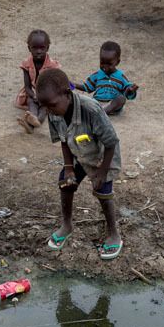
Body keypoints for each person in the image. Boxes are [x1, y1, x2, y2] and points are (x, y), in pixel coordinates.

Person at [36, 68, 123, 260]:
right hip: (79, 152)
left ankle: (113, 233)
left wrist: (101, 172)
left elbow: (111, 143)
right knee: (66, 183)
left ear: (66, 94)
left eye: (51, 105)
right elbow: (64, 140)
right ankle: (67, 225)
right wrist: (68, 169)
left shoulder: (90, 109)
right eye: (45, 107)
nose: (49, 111)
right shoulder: (54, 111)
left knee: (103, 191)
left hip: (102, 156)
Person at [15, 29, 61, 133]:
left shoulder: (52, 65)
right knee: (31, 102)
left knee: (44, 108)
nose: (38, 51)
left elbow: (55, 85)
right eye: (35, 48)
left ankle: (35, 122)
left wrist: (44, 97)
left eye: (42, 48)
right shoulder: (26, 64)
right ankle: (31, 123)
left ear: (47, 48)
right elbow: (27, 87)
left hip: (48, 94)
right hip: (33, 93)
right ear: (29, 48)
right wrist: (34, 96)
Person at [78, 41, 139, 115]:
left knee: (121, 99)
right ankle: (99, 112)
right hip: (97, 103)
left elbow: (127, 94)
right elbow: (86, 87)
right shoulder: (97, 75)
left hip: (113, 105)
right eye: (102, 63)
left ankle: (102, 112)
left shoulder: (120, 76)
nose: (105, 67)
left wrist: (130, 90)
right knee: (83, 101)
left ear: (117, 62)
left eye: (109, 64)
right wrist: (73, 85)